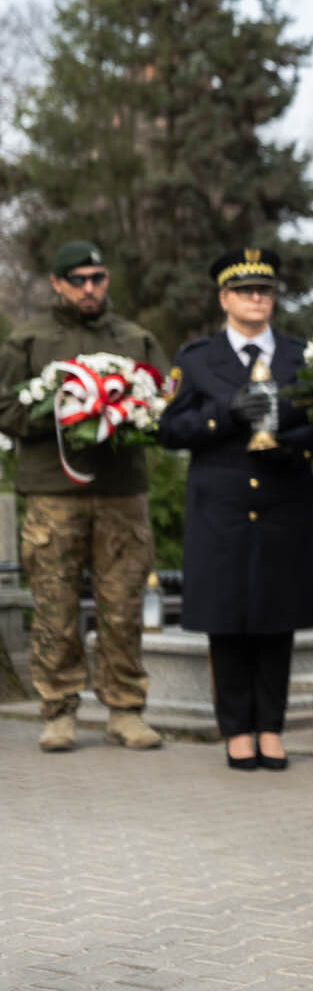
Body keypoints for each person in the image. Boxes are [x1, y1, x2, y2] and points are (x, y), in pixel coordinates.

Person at [158, 247, 313, 770]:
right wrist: (224, 415)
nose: (259, 299)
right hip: (222, 508)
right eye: (247, 291)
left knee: (277, 618)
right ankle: (236, 728)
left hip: (283, 501)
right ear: (225, 298)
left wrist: (290, 443)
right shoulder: (196, 359)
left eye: (267, 290)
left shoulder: (303, 357)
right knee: (227, 619)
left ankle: (271, 728)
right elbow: (169, 430)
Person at [0, 240, 168, 752]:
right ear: (56, 283)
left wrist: (129, 417)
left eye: (97, 277)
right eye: (77, 279)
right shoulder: (27, 341)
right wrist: (66, 413)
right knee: (54, 603)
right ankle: (58, 709)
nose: (89, 288)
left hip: (122, 491)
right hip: (54, 491)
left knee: (123, 604)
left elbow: (165, 402)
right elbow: (4, 407)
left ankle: (125, 708)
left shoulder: (134, 338)